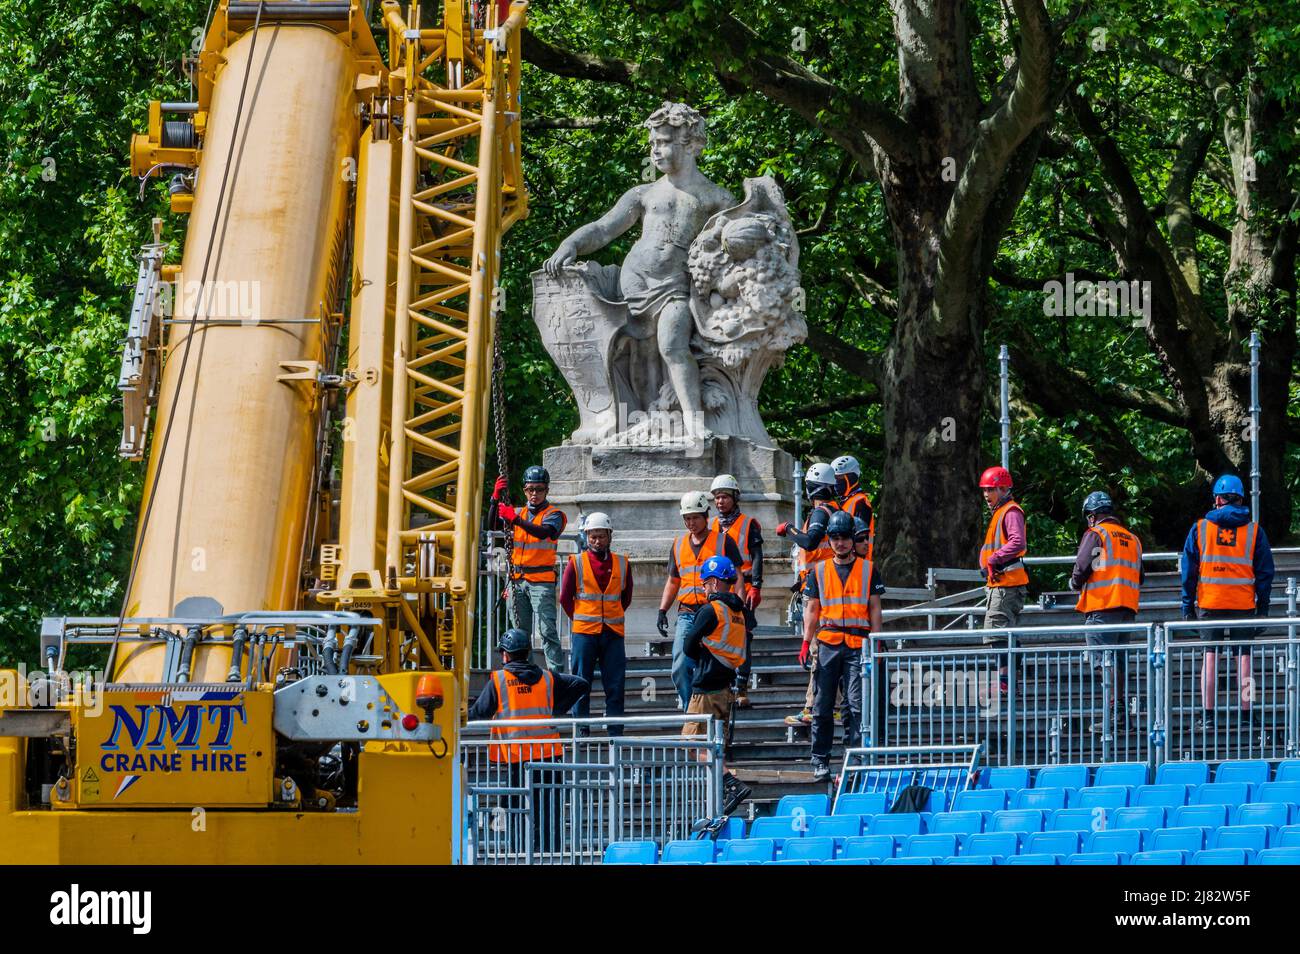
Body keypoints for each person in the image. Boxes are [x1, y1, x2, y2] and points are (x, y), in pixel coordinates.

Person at [467, 629, 590, 853]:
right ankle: (551, 854)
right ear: (527, 653)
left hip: (516, 757)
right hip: (549, 756)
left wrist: (461, 714)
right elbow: (581, 684)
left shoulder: (500, 680)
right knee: (549, 809)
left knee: (514, 808)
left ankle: (517, 852)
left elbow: (479, 713)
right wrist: (557, 708)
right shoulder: (547, 677)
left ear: (505, 655)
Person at [799, 510, 884, 781]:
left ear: (852, 538)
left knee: (855, 705)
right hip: (828, 642)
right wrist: (805, 642)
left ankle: (855, 756)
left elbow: (875, 608)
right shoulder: (819, 571)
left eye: (845, 537)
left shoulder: (869, 569)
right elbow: (812, 610)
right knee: (822, 704)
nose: (841, 543)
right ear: (829, 540)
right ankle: (820, 760)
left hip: (858, 643)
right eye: (835, 538)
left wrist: (877, 642)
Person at [1180, 474, 1275, 713]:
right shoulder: (1254, 531)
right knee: (1244, 659)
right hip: (1242, 603)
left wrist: (1187, 606)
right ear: (1241, 499)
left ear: (1219, 499)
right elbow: (1265, 573)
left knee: (1210, 657)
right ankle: (1247, 712)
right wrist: (1262, 608)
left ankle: (1208, 714)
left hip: (1210, 602)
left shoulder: (1200, 528)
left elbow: (1188, 572)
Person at [679, 554, 753, 811]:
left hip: (706, 689)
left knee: (691, 744)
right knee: (716, 744)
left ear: (714, 582)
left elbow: (688, 646)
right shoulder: (739, 611)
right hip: (726, 687)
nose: (703, 586)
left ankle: (730, 783)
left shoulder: (710, 610)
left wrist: (701, 648)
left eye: (706, 582)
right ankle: (723, 793)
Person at [658, 491, 744, 711]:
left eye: (695, 517)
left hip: (716, 612)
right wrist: (662, 610)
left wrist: (741, 606)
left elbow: (738, 577)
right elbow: (673, 580)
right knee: (680, 664)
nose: (691, 522)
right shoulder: (678, 544)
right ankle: (691, 708)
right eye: (687, 518)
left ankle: (718, 706)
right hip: (687, 613)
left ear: (706, 515)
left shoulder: (723, 541)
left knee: (716, 664)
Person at [779, 462, 841, 726]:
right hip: (829, 586)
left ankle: (815, 707)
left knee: (818, 649)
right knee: (824, 649)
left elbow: (810, 541)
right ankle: (819, 705)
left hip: (820, 590)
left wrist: (789, 530)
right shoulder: (837, 510)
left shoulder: (820, 513)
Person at [559, 512, 632, 736]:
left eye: (601, 536)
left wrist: (610, 615)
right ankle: (581, 730)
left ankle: (615, 732)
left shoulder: (622, 562)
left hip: (612, 633)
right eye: (592, 537)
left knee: (615, 685)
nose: (597, 541)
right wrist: (581, 618)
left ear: (609, 536)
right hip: (584, 634)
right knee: (581, 683)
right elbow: (564, 597)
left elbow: (626, 597)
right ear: (586, 537)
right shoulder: (576, 562)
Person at [1069, 491, 1144, 711]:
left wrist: (1074, 584)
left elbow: (1082, 566)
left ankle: (1112, 710)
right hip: (1127, 609)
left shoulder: (1097, 534)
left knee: (1104, 660)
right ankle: (1119, 709)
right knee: (1119, 660)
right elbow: (1140, 575)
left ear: (1092, 515)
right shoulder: (1132, 539)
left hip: (1102, 606)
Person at [498, 465, 568, 672]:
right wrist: (495, 499)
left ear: (546, 490)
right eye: (530, 489)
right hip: (518, 580)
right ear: (525, 490)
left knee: (547, 630)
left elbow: (544, 532)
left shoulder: (554, 514)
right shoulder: (518, 513)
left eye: (539, 489)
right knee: (520, 633)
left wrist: (516, 520)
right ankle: (523, 672)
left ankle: (556, 675)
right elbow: (494, 522)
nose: (534, 494)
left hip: (541, 581)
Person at [710, 473, 763, 707]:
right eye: (717, 498)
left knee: (743, 637)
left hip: (745, 585)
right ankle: (723, 685)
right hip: (720, 588)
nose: (720, 502)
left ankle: (741, 687)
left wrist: (757, 586)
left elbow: (758, 556)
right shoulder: (711, 525)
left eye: (724, 497)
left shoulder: (748, 524)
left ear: (734, 498)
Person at [978, 466, 1028, 691]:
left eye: (991, 489)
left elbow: (1018, 542)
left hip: (1007, 584)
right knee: (1000, 633)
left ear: (1004, 488)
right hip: (1000, 583)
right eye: (985, 490)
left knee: (997, 634)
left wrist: (994, 559)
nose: (986, 495)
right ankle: (1008, 681)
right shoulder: (1001, 512)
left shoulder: (1011, 511)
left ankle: (1005, 683)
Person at [833, 454, 875, 559]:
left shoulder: (860, 502)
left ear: (851, 478)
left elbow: (860, 536)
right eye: (835, 479)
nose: (836, 482)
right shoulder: (846, 501)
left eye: (839, 478)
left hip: (857, 563)